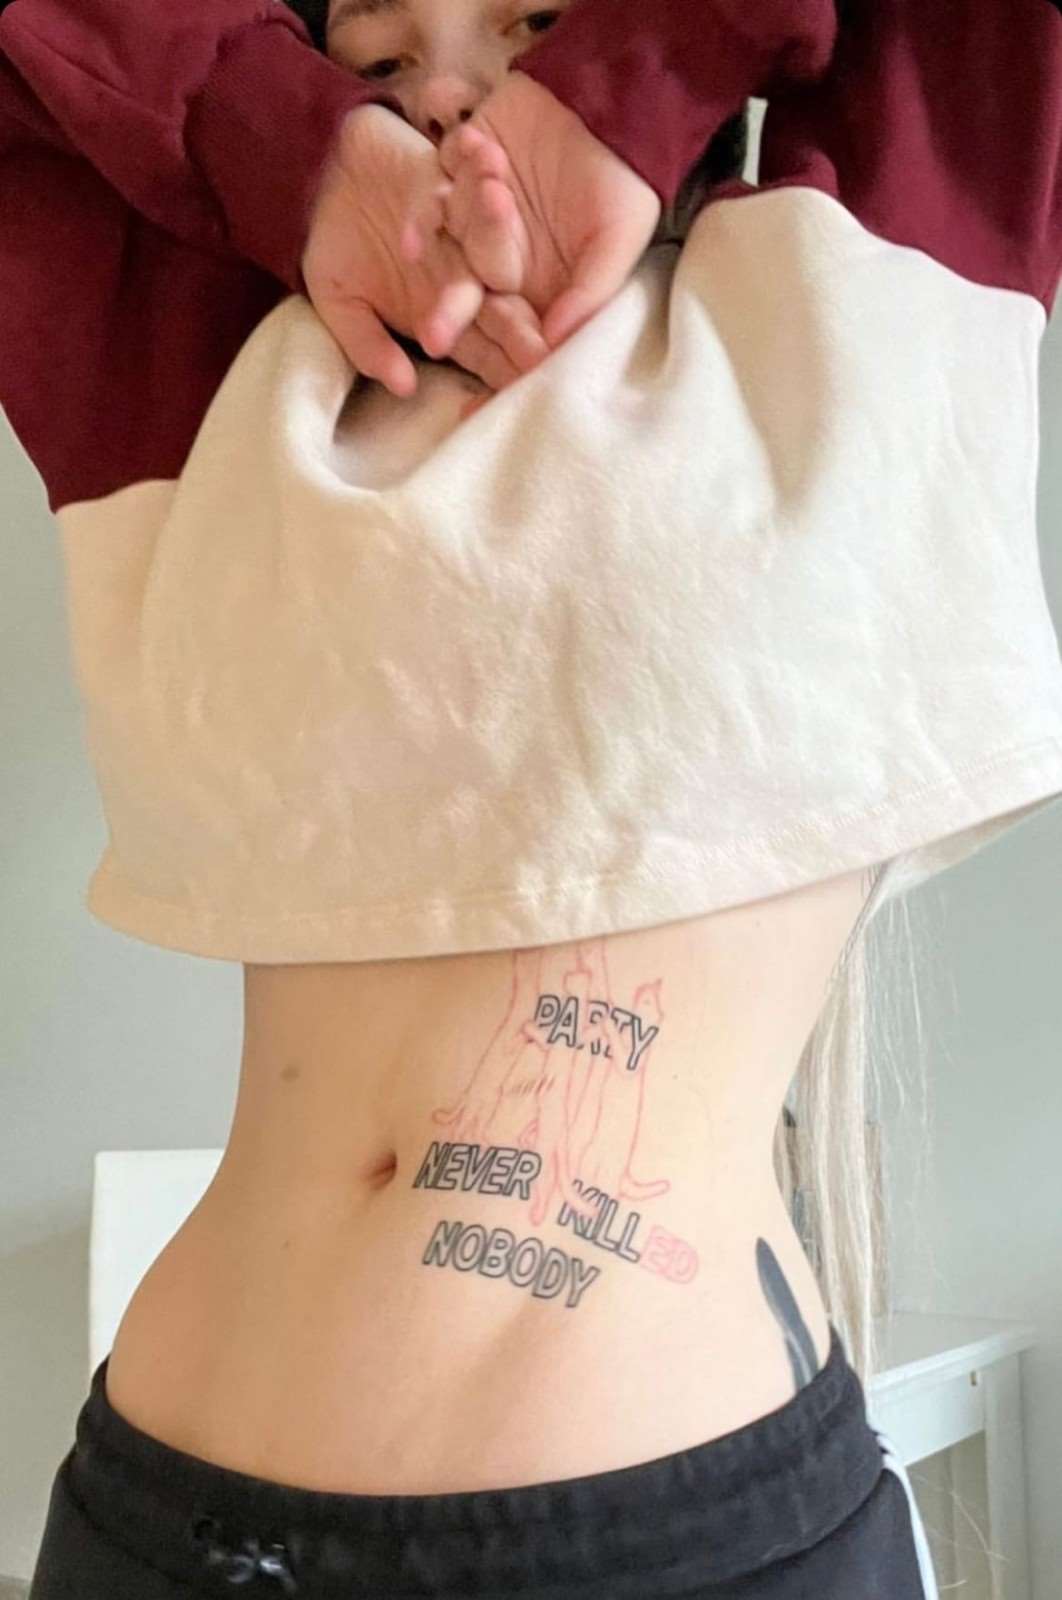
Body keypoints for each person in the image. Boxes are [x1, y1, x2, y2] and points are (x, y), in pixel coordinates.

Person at [4, 0, 1060, 1595]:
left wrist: (623, 92)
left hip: (666, 1541)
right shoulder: (218, 384)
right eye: (376, 57)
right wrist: (290, 146)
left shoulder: (860, 311)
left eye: (530, 21)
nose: (442, 88)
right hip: (154, 1520)